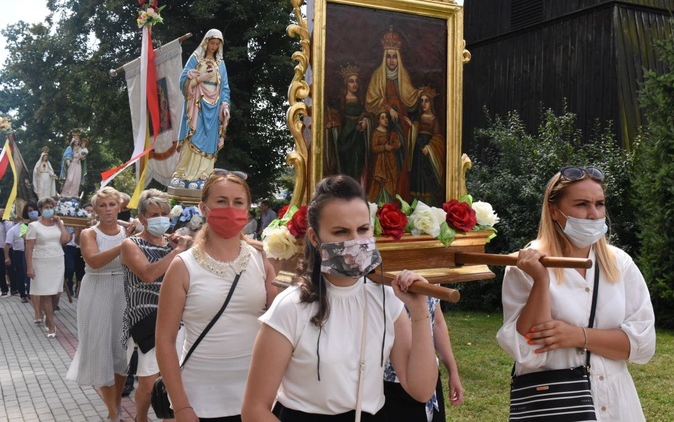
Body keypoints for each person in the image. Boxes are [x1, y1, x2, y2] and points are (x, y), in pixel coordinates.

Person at [242, 175, 438, 421]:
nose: (356, 241)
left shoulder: (387, 299)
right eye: (341, 232)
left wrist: (419, 313)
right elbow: (254, 410)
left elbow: (420, 390)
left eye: (363, 229)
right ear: (315, 238)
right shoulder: (291, 307)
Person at [496, 166, 656, 421]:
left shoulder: (619, 264)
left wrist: (577, 336)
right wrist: (540, 280)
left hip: (617, 404)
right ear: (553, 210)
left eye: (600, 204)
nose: (594, 215)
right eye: (582, 204)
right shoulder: (525, 267)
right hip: (555, 404)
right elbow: (527, 352)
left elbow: (643, 345)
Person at [156, 171, 278, 421]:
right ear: (204, 208)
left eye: (238, 202)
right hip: (201, 400)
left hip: (258, 397)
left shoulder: (262, 259)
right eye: (221, 201)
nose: (230, 208)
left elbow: (278, 325)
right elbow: (165, 342)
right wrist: (181, 407)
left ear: (247, 209)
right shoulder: (182, 266)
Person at [66, 186, 137, 422]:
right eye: (102, 205)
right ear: (95, 209)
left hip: (124, 291)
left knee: (121, 352)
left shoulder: (132, 229)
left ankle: (116, 401)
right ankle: (113, 411)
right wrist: (124, 244)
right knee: (100, 349)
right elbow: (94, 261)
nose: (108, 210)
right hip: (96, 289)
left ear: (120, 206)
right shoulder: (90, 233)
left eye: (112, 204)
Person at [120, 189, 191, 422]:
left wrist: (184, 250)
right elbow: (148, 274)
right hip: (146, 318)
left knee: (174, 380)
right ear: (141, 218)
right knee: (149, 383)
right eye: (153, 214)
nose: (160, 218)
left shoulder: (175, 245)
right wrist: (178, 253)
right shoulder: (131, 244)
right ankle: (140, 416)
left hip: (177, 318)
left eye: (164, 213)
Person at [383, 297, 464, 422]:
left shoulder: (432, 279)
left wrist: (453, 372)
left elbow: (438, 322)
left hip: (429, 378)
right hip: (389, 385)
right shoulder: (378, 281)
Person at [365, 27, 420, 201]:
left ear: (398, 57)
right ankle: (383, 200)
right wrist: (388, 108)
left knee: (400, 160)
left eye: (394, 56)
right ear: (384, 57)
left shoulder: (403, 76)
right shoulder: (377, 76)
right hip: (384, 122)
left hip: (401, 124)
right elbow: (370, 101)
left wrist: (421, 93)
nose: (391, 60)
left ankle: (399, 199)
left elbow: (411, 97)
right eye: (388, 56)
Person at [172, 29, 231, 185]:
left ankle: (204, 174)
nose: (214, 46)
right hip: (197, 104)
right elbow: (183, 81)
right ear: (206, 42)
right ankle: (184, 173)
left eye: (217, 44)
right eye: (211, 43)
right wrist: (200, 79)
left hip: (214, 106)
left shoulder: (221, 64)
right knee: (194, 134)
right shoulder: (195, 58)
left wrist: (225, 105)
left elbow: (224, 87)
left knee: (210, 139)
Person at [25, 197, 71, 337]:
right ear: (40, 210)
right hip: (41, 261)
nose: (48, 210)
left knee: (56, 293)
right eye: (45, 208)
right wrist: (30, 267)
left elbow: (64, 240)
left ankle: (48, 315)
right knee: (46, 294)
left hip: (57, 260)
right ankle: (51, 325)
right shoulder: (34, 226)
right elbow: (29, 248)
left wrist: (60, 224)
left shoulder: (58, 223)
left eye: (51, 207)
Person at [407, 87, 445, 206]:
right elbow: (415, 130)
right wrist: (411, 127)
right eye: (421, 101)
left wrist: (429, 148)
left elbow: (438, 137)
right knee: (417, 176)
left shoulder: (434, 119)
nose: (423, 104)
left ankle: (428, 205)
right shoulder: (418, 118)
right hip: (418, 152)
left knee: (426, 177)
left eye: (426, 101)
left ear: (431, 103)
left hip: (427, 153)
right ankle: (416, 205)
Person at [336, 63, 369, 184]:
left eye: (356, 81)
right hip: (346, 136)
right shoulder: (341, 101)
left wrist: (365, 121)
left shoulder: (361, 100)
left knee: (358, 162)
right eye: (351, 81)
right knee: (347, 164)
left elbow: (367, 114)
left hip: (359, 136)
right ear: (346, 83)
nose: (354, 84)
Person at [368, 109, 401, 204]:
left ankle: (389, 205)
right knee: (381, 183)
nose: (385, 120)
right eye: (382, 118)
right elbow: (373, 148)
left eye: (386, 117)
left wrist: (397, 144)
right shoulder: (376, 133)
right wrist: (384, 147)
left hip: (391, 162)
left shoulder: (390, 132)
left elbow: (394, 143)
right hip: (380, 163)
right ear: (378, 120)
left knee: (391, 182)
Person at [5, 204, 36, 303]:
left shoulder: (38, 223)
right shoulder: (20, 227)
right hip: (20, 253)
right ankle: (23, 294)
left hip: (35, 252)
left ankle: (31, 292)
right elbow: (26, 238)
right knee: (21, 274)